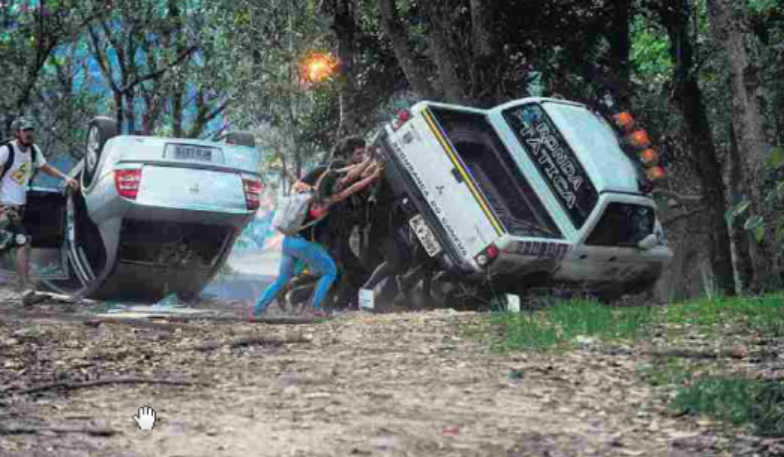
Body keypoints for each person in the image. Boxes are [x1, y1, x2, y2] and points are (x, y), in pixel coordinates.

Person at [250, 158, 384, 320]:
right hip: (303, 244)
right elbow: (353, 187)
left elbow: (333, 175)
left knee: (281, 279)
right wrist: (372, 176)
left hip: (288, 241)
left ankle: (258, 308)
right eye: (338, 183)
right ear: (331, 185)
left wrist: (360, 164)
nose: (341, 183)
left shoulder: (312, 192)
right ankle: (314, 308)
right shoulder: (329, 200)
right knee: (330, 271)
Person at [0, 117, 79, 304]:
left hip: (18, 208)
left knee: (10, 245)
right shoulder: (6, 151)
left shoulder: (33, 151)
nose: (29, 134)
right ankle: (26, 290)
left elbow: (45, 168)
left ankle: (25, 290)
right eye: (25, 130)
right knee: (23, 242)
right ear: (16, 133)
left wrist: (65, 177)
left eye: (31, 130)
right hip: (4, 207)